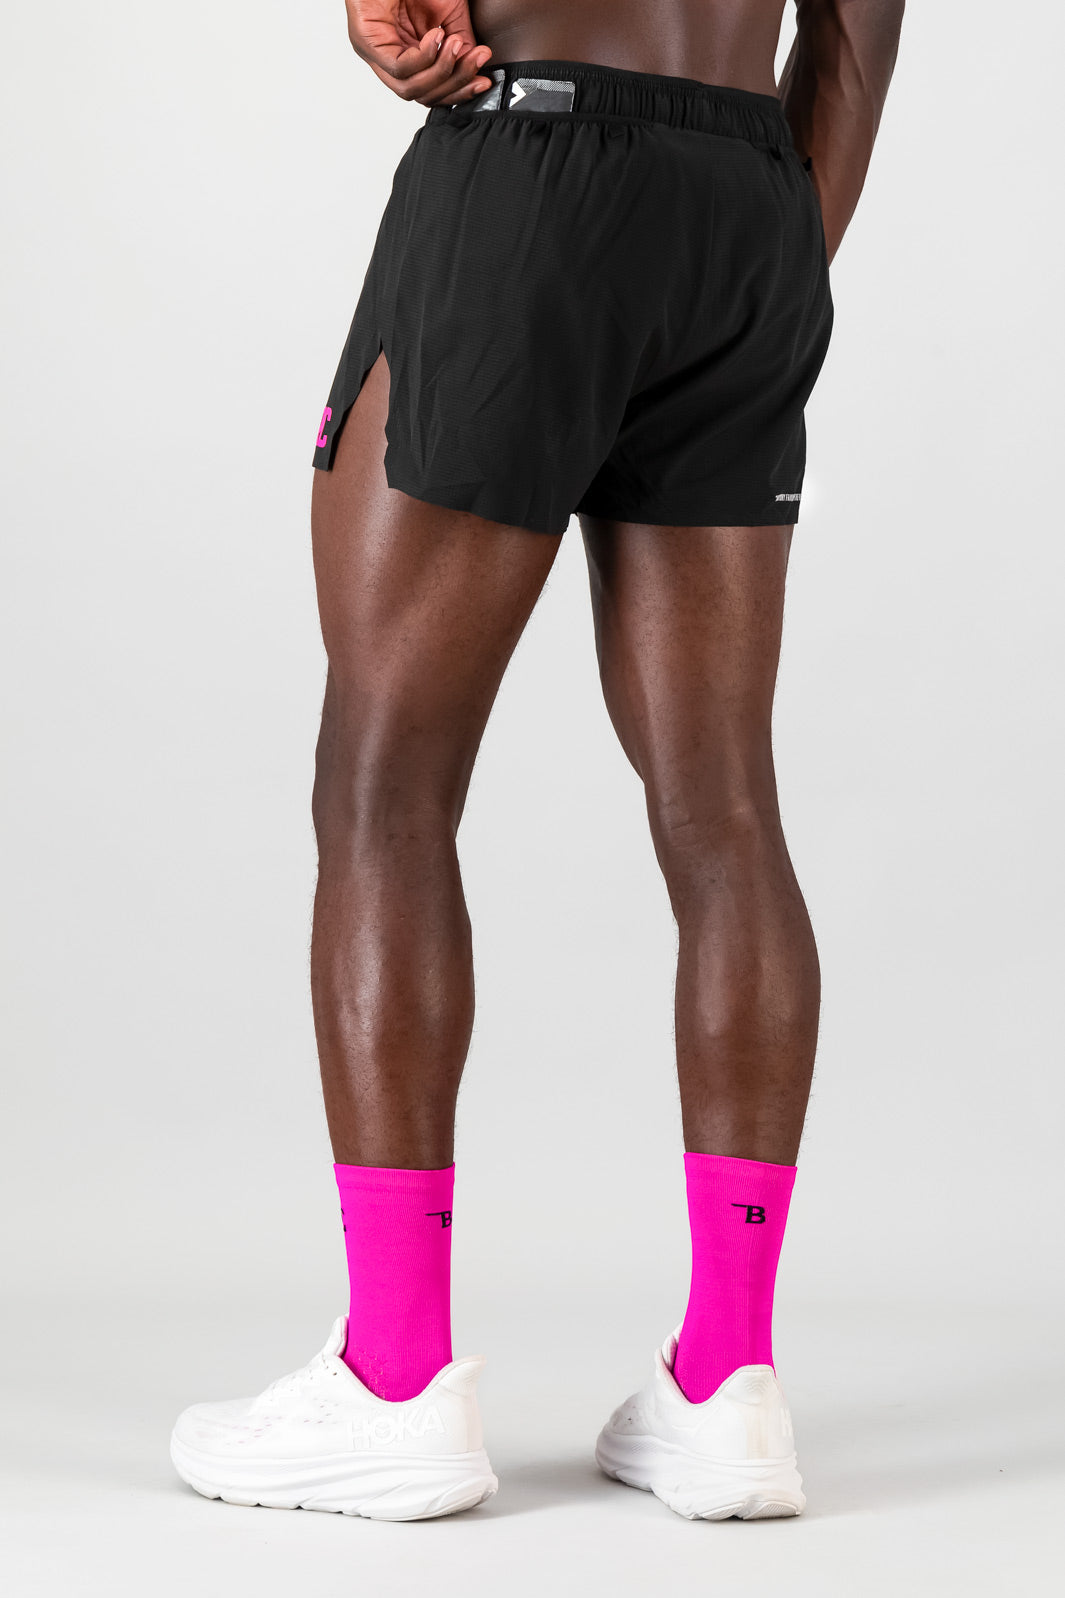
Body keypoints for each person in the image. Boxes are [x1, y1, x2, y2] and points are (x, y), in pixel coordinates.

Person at [170, 0, 904, 1522]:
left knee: (382, 780)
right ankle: (727, 1387)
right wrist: (765, 260)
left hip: (541, 160)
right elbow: (863, 22)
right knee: (724, 801)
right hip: (754, 196)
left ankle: (393, 1381)